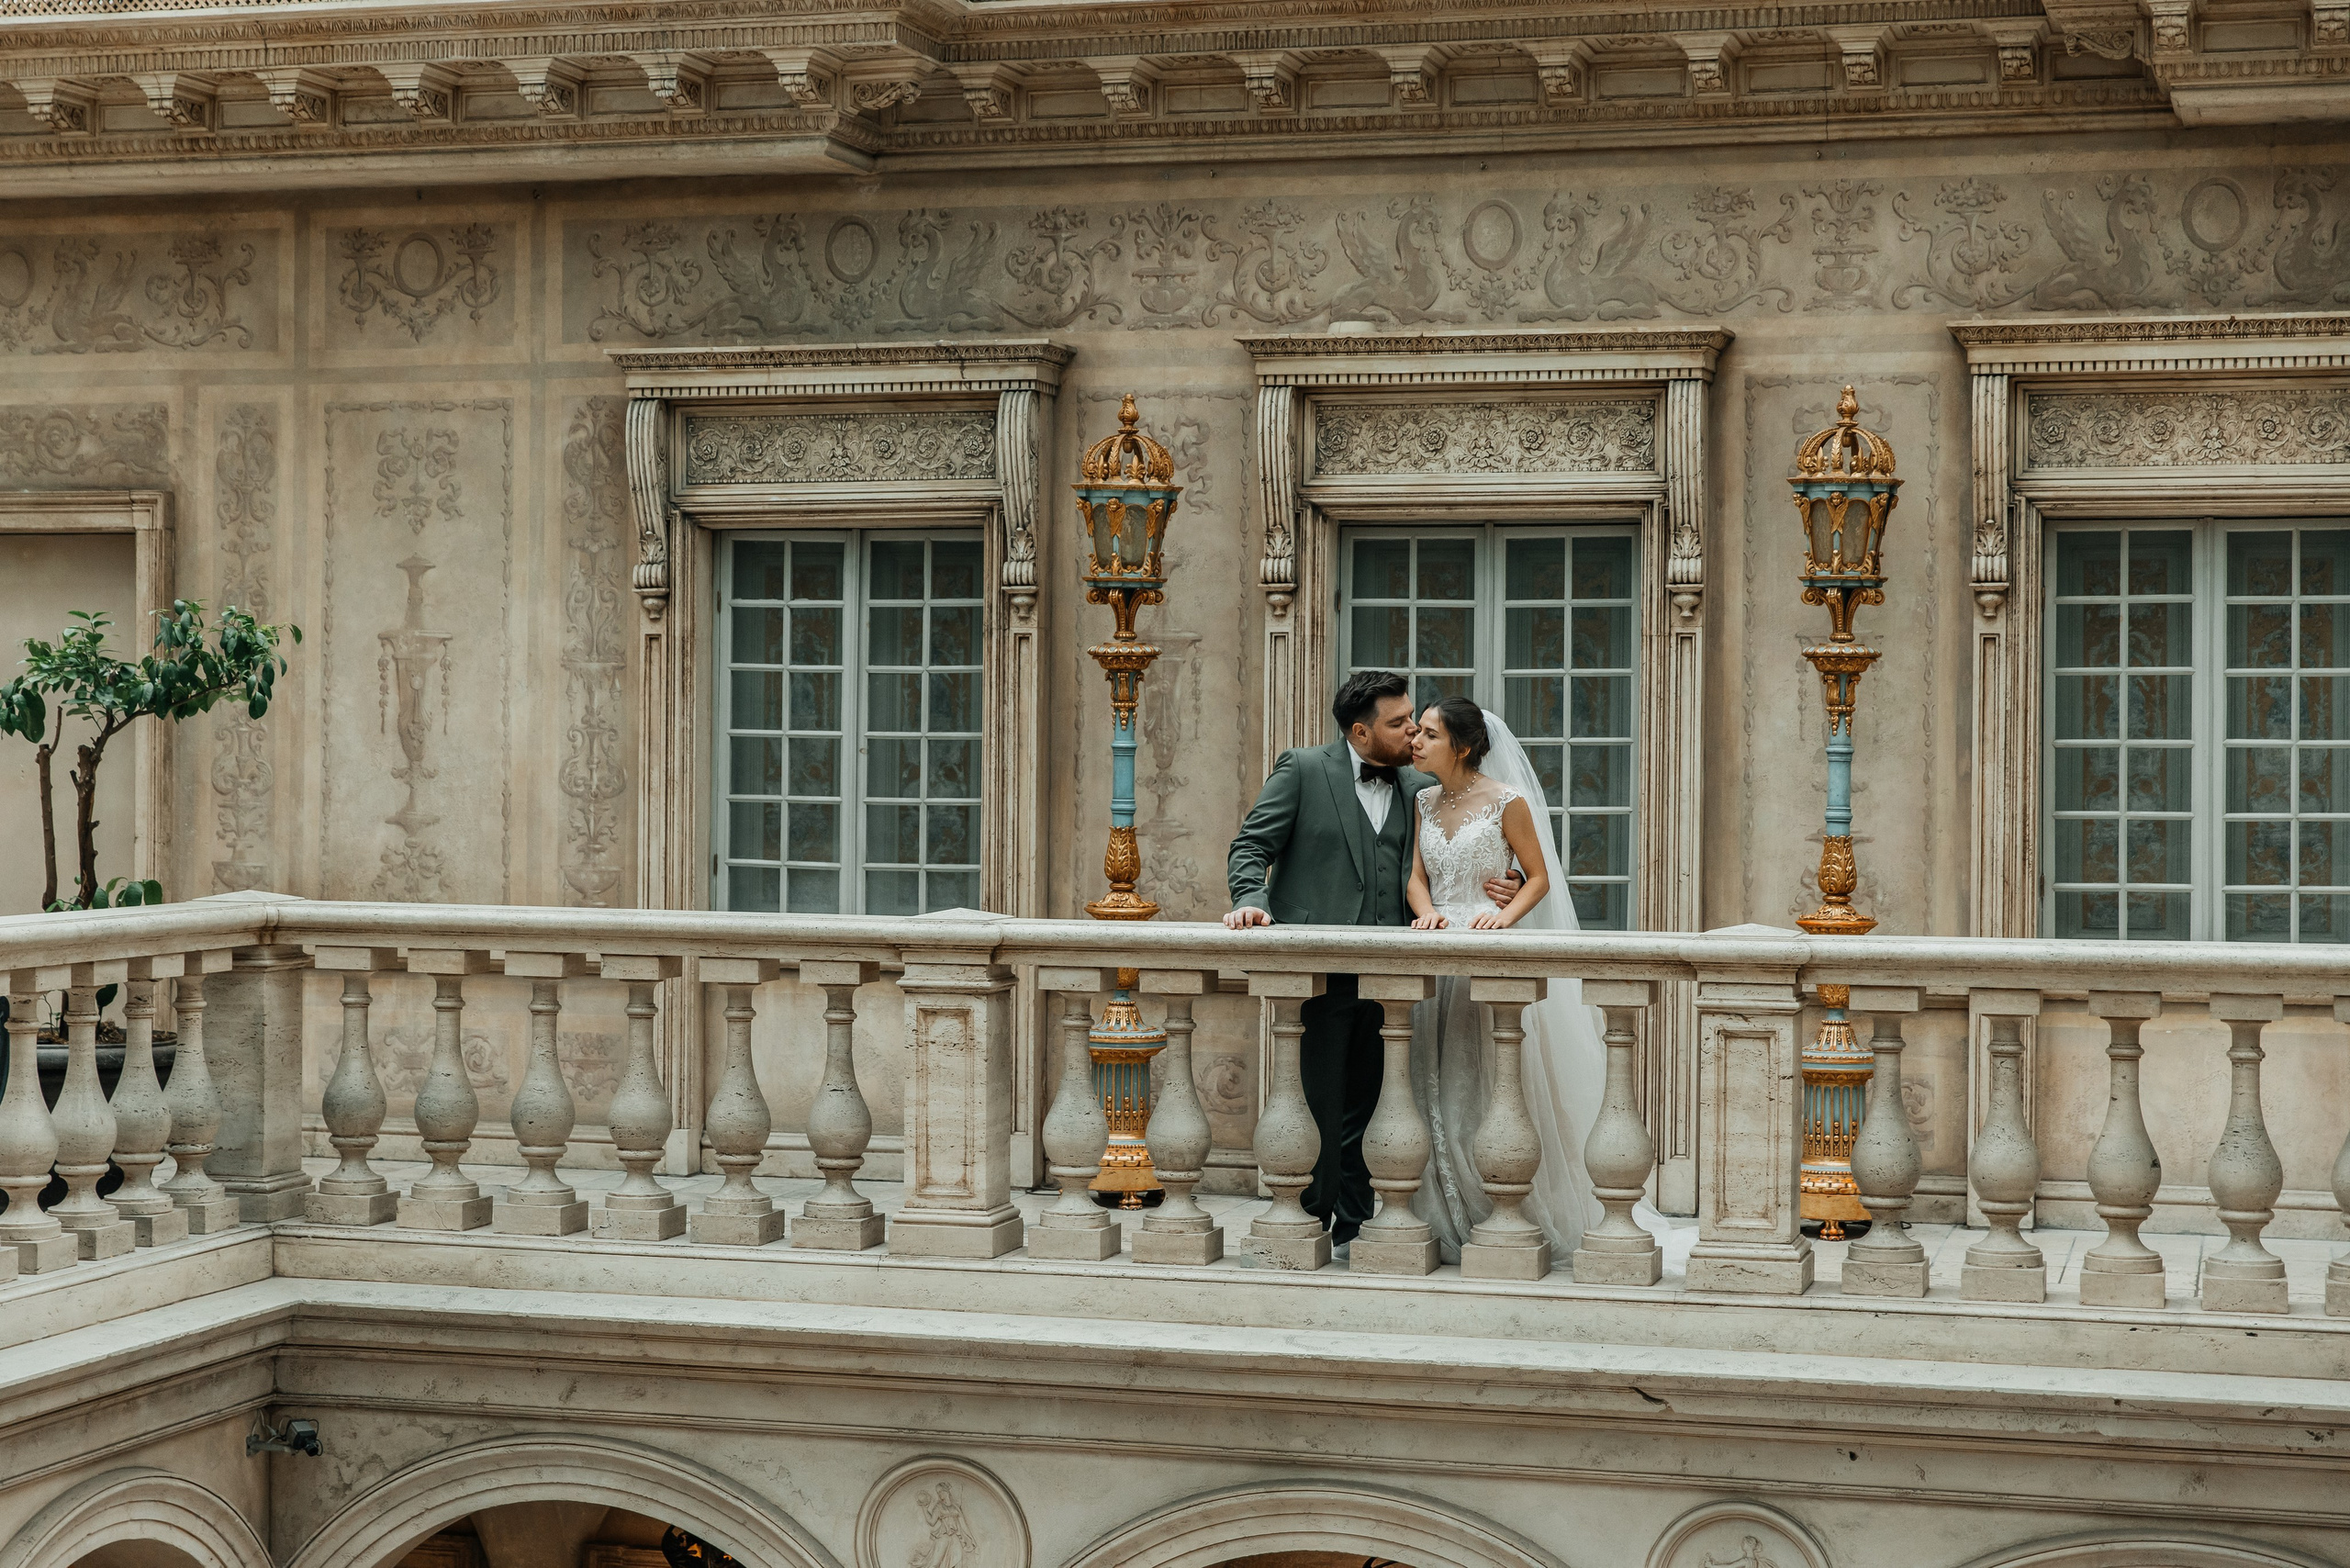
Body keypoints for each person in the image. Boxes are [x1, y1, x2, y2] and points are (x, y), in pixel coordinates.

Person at [1225, 671, 1516, 1251]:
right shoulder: (1303, 770)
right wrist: (1251, 902)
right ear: (1360, 731)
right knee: (1316, 1102)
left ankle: (1357, 1228)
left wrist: (1506, 883)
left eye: (1415, 720)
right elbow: (1251, 846)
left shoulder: (1421, 786)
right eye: (1398, 722)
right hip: (1317, 967)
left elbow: (1464, 845)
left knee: (1378, 1101)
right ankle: (1308, 1219)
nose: (1412, 730)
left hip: (1396, 974)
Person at [1402, 696, 1665, 1261]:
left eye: (1428, 734)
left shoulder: (1506, 802)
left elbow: (1539, 877)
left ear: (1464, 746)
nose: (1414, 742)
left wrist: (1503, 916)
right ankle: (1447, 1209)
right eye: (1416, 732)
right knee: (1433, 1079)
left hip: (1488, 949)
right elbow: (1415, 877)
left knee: (1492, 1079)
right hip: (1437, 951)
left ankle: (1505, 1205)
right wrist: (1426, 910)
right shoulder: (1422, 801)